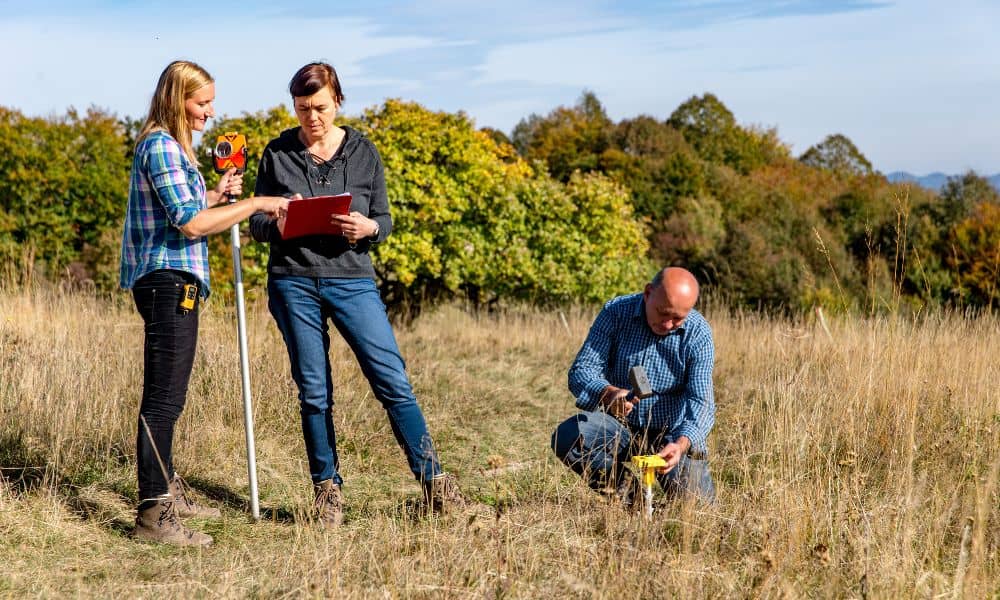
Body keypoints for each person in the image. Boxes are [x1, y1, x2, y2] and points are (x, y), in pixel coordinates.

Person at [249, 62, 464, 526]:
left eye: (320, 108)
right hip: (294, 280)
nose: (312, 119)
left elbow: (383, 220)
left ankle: (436, 484)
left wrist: (368, 228)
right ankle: (327, 491)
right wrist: (279, 223)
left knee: (392, 380)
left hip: (353, 280)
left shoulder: (364, 152)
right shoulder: (277, 153)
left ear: (338, 101)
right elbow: (256, 225)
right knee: (313, 389)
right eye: (303, 109)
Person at [120, 60, 289, 546]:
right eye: (201, 103)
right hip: (168, 281)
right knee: (163, 400)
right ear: (177, 100)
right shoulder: (162, 146)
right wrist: (256, 204)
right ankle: (153, 515)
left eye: (211, 102)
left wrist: (217, 195)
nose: (210, 112)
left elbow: (191, 212)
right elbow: (190, 227)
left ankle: (168, 488)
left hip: (173, 279)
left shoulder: (172, 150)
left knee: (169, 395)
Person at [551, 267, 716, 507]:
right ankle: (635, 503)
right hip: (620, 427)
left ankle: (672, 503)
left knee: (698, 512)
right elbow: (582, 370)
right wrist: (607, 393)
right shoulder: (616, 312)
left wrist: (680, 445)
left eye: (678, 318)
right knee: (568, 437)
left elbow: (701, 402)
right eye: (663, 313)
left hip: (671, 434)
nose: (669, 324)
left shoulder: (698, 333)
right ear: (648, 293)